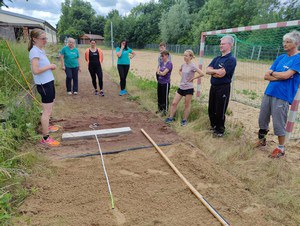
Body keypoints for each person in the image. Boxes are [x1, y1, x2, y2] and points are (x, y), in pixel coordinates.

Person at [255, 30, 300, 158]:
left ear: (296, 43)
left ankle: (280, 148)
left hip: (283, 95)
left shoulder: (298, 58)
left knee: (279, 123)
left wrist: (275, 74)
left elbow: (287, 75)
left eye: (288, 42)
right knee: (262, 118)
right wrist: (279, 76)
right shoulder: (281, 57)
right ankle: (262, 140)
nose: (285, 44)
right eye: (284, 41)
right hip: (269, 92)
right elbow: (266, 75)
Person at [28, 28, 60, 146]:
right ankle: (45, 138)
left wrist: (49, 67)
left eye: (45, 38)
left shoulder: (40, 50)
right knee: (46, 111)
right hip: (44, 84)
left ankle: (48, 127)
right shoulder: (34, 51)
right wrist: (50, 66)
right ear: (34, 39)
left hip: (48, 82)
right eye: (43, 38)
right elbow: (35, 70)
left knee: (49, 108)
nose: (45, 40)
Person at [206, 35, 237, 137]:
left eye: (223, 43)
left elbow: (222, 74)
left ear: (230, 45)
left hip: (223, 88)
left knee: (220, 110)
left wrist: (213, 72)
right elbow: (207, 70)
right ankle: (213, 127)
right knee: (211, 108)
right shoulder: (217, 58)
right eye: (220, 43)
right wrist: (215, 71)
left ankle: (220, 131)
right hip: (213, 86)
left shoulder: (231, 59)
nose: (221, 45)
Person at [165, 50, 204, 126]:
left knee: (187, 105)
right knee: (174, 103)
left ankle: (184, 120)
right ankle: (170, 118)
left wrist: (193, 78)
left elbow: (202, 73)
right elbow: (180, 70)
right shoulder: (183, 65)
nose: (184, 57)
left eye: (186, 56)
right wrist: (181, 75)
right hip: (181, 87)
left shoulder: (193, 66)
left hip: (189, 88)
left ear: (190, 57)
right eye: (184, 55)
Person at [156, 50, 173, 116]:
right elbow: (157, 70)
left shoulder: (169, 64)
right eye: (161, 56)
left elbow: (164, 73)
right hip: (160, 82)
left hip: (165, 83)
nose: (162, 57)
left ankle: (165, 110)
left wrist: (160, 72)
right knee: (159, 96)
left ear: (167, 55)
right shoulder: (161, 63)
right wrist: (160, 72)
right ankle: (160, 109)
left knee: (165, 97)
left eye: (163, 56)